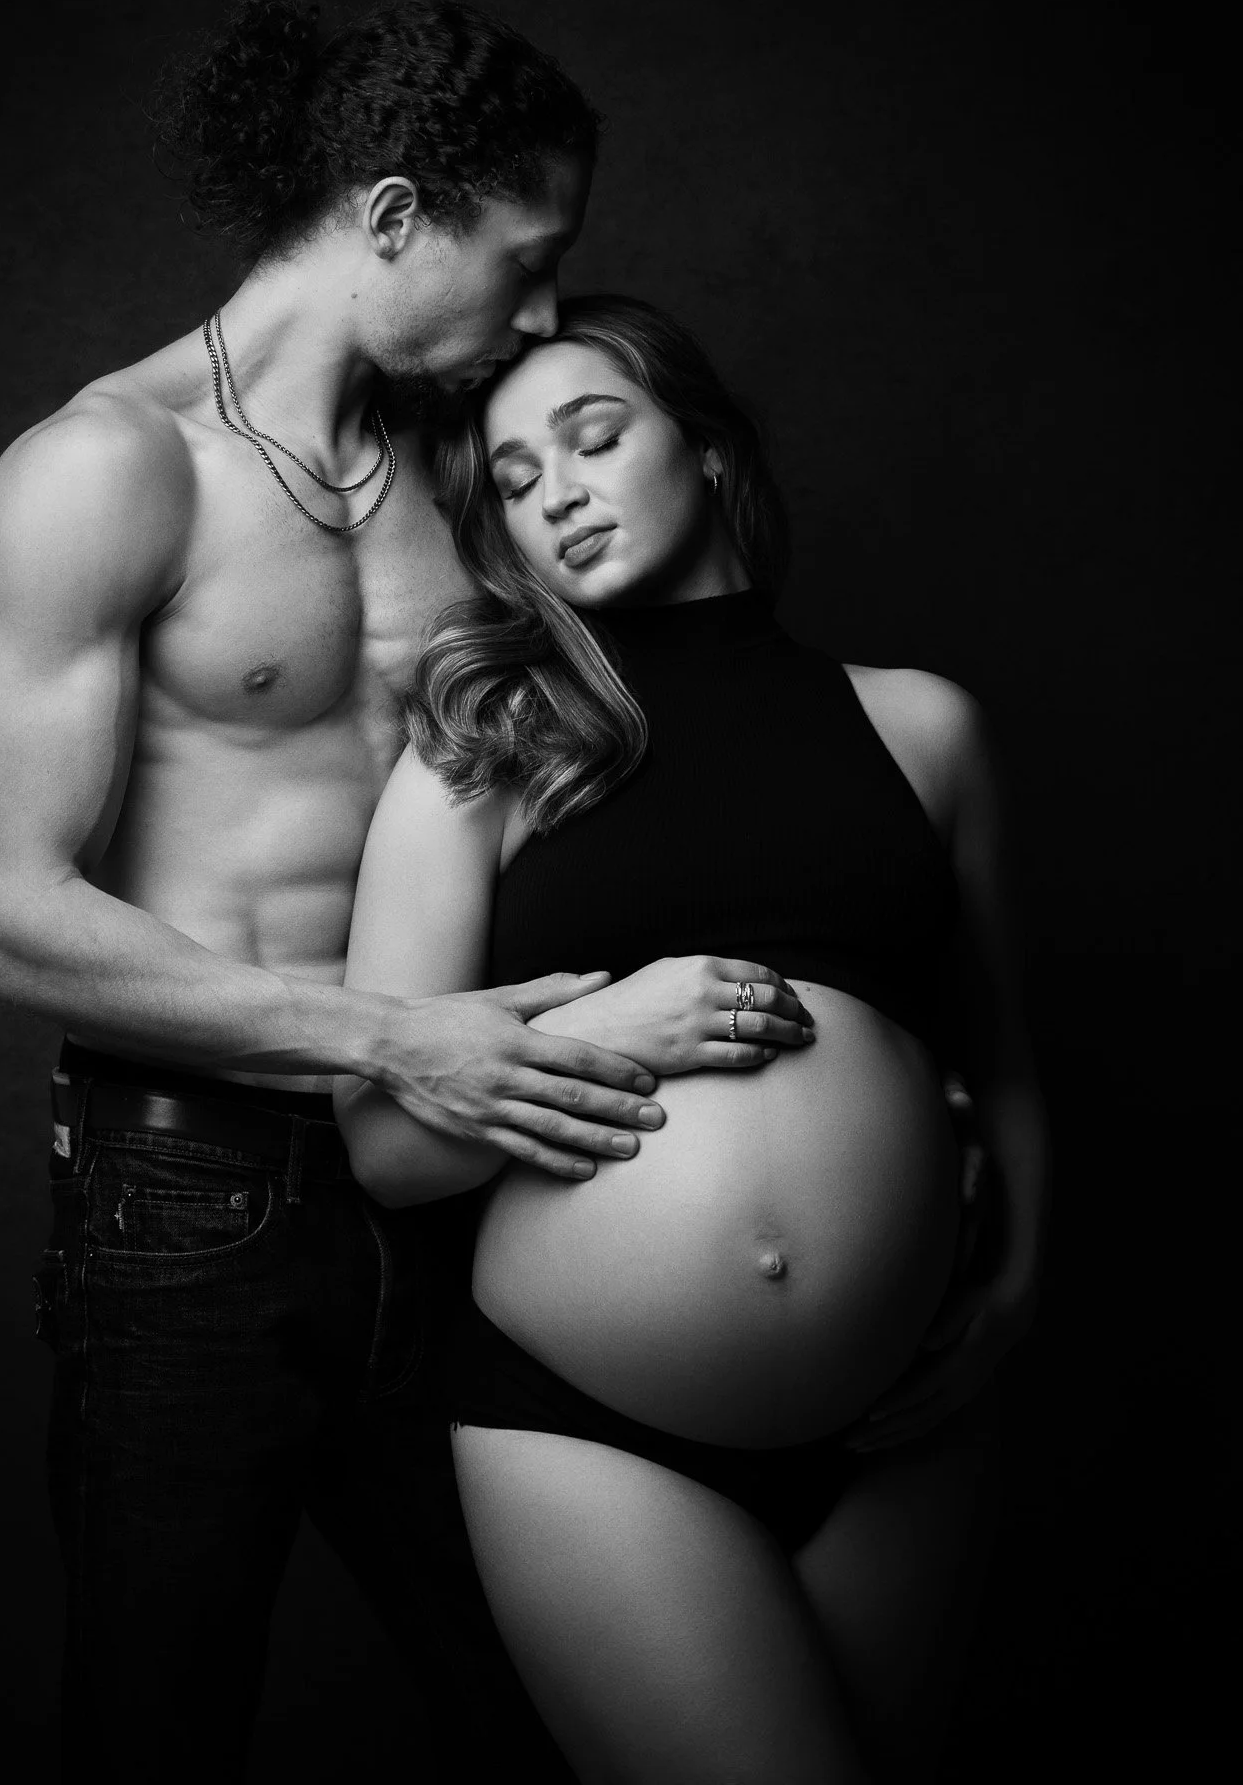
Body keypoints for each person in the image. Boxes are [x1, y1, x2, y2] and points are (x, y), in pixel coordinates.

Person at [0, 0, 674, 1782]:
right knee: (159, 1733)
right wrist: (387, 1037)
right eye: (529, 256)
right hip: (189, 1204)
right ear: (401, 215)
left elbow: (677, 732)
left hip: (456, 1172)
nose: (548, 311)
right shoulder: (104, 470)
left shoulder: (468, 462)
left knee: (566, 1714)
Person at [335, 295, 1050, 1783]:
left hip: (906, 1418)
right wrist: (608, 1024)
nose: (562, 495)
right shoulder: (485, 753)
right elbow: (389, 1147)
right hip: (590, 1435)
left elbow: (1010, 1061)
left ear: (710, 451)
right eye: (518, 486)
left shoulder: (926, 728)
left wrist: (1016, 1287)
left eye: (594, 439)